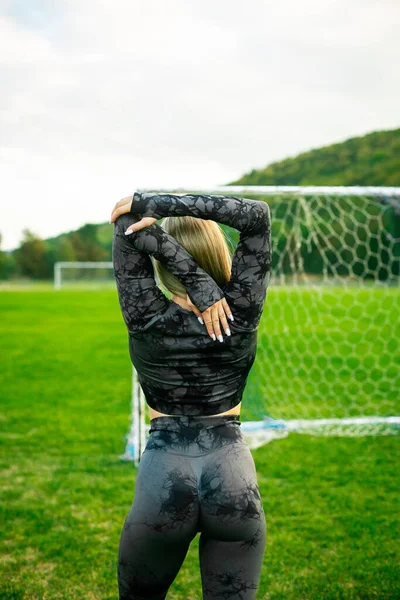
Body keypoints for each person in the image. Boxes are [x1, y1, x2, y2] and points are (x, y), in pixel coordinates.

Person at [110, 191, 272, 600]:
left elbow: (124, 223)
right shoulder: (243, 311)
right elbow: (256, 215)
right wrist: (163, 205)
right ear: (220, 251)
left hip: (163, 477)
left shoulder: (144, 314)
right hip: (233, 478)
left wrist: (173, 254)